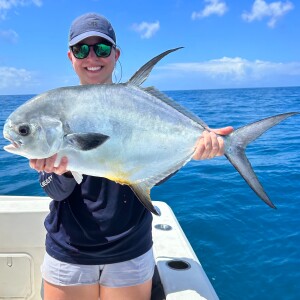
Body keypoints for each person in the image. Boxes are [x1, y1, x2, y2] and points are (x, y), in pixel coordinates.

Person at [29, 13, 233, 300]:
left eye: (101, 48)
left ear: (115, 54)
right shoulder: (54, 110)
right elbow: (56, 192)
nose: (92, 57)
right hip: (70, 249)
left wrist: (195, 147)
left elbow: (150, 167)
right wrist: (58, 171)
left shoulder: (136, 102)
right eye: (81, 49)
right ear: (70, 56)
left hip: (129, 249)